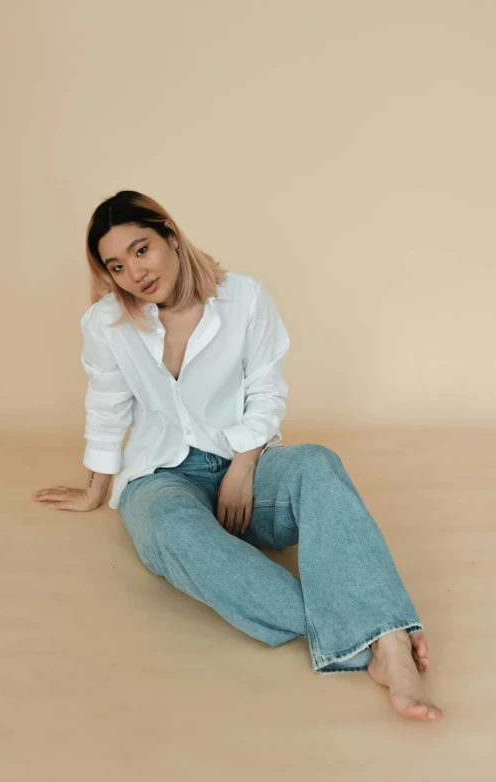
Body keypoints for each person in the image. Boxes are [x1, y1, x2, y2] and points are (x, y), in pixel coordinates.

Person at [31, 190, 443, 722]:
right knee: (172, 534)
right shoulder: (106, 324)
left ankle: (384, 644)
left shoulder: (244, 297)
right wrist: (95, 490)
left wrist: (243, 466)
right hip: (160, 477)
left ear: (170, 237)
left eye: (141, 249)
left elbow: (266, 391)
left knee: (317, 462)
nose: (135, 272)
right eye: (116, 265)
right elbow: (107, 407)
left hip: (246, 461)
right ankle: (377, 636)